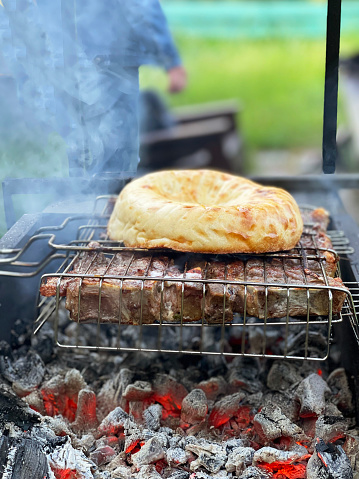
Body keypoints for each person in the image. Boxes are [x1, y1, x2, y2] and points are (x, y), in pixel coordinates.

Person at [0, 0, 187, 177]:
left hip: (59, 64)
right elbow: (141, 5)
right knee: (114, 169)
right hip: (108, 63)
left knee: (78, 165)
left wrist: (27, 76)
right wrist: (170, 60)